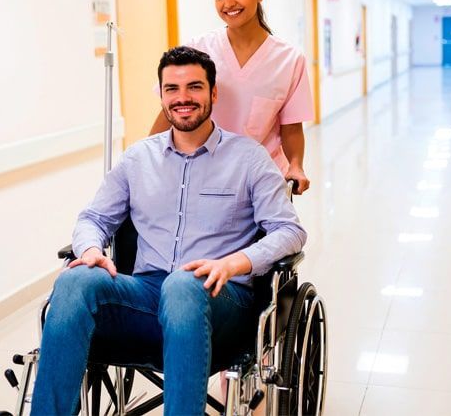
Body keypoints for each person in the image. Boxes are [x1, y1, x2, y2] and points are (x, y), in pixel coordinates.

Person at [30, 46, 306, 415]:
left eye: (194, 87)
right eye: (172, 89)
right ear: (161, 96)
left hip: (219, 297)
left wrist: (234, 263)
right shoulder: (137, 158)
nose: (183, 98)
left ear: (213, 94)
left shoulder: (248, 158)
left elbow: (289, 231)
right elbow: (93, 219)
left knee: (182, 283)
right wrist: (90, 250)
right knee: (74, 280)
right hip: (146, 292)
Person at [150, 0, 314, 194]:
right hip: (203, 177)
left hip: (262, 181)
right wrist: (145, 158)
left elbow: (291, 128)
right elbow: (171, 109)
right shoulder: (199, 49)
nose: (228, 3)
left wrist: (296, 166)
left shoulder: (289, 59)